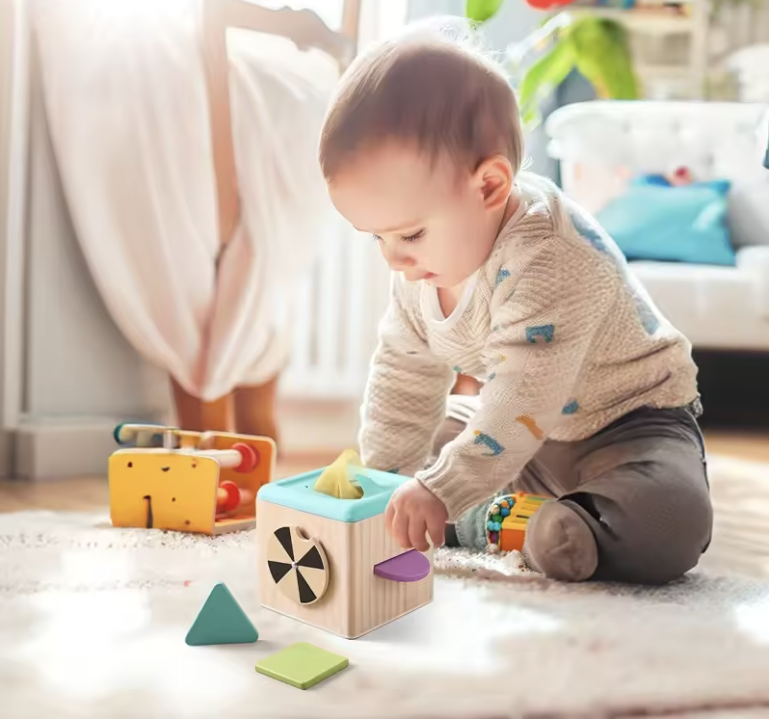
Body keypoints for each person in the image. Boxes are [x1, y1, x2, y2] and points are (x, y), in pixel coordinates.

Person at [317, 20, 713, 584]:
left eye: (407, 234)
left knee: (670, 516)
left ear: (488, 187)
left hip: (628, 429)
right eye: (375, 237)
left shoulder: (550, 258)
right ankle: (494, 519)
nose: (393, 258)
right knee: (432, 440)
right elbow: (404, 374)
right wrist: (386, 480)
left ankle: (566, 527)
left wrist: (440, 485)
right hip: (517, 436)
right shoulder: (421, 264)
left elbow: (523, 396)